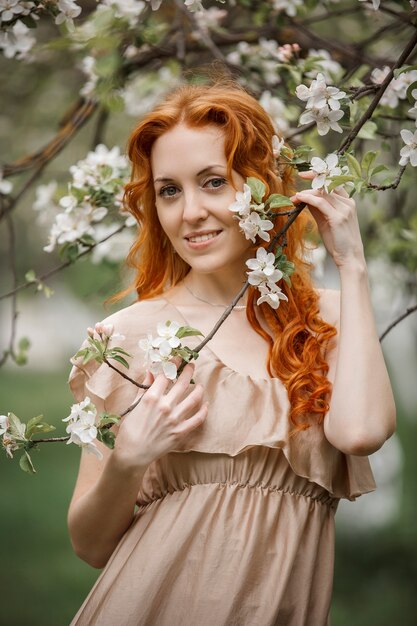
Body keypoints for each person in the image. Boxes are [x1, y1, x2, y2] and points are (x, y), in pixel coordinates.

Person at [67, 81, 396, 626]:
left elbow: (360, 433)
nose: (190, 212)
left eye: (213, 182)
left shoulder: (329, 320)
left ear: (262, 187)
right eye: (169, 191)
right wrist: (129, 459)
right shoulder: (125, 339)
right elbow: (90, 545)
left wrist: (353, 264)